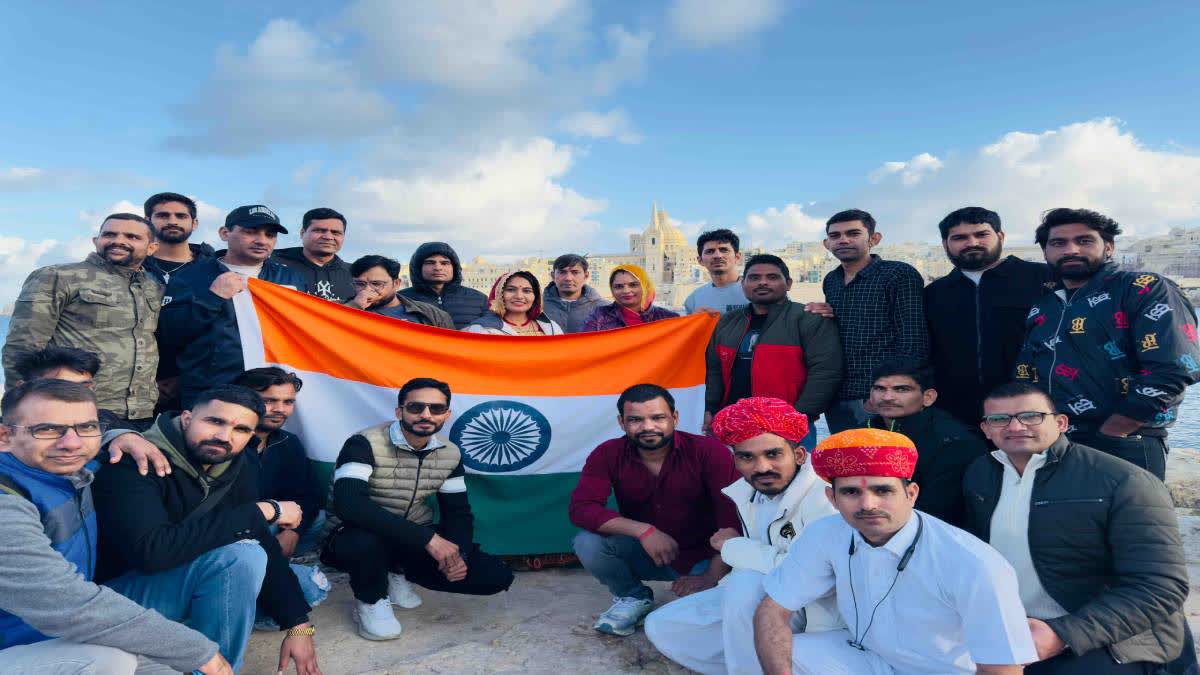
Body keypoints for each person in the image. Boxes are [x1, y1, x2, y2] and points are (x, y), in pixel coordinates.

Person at [753, 428, 1037, 675]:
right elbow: (772, 610)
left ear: (911, 493)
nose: (868, 504)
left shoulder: (973, 563)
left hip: (943, 672)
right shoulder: (825, 533)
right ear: (832, 498)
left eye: (883, 490)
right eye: (851, 492)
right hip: (868, 658)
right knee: (778, 652)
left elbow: (1002, 668)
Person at [0, 379, 232, 675]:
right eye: (46, 429)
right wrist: (198, 652)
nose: (72, 442)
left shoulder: (71, 471)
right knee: (109, 662)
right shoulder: (6, 504)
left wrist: (123, 435)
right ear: (4, 437)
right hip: (23, 642)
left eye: (86, 427)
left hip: (58, 636)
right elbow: (66, 604)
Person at [91, 385, 322, 673]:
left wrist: (298, 625)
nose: (224, 437)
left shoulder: (236, 462)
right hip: (113, 597)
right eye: (215, 421)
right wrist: (262, 511)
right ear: (187, 418)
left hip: (180, 573)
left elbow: (258, 536)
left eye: (240, 429)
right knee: (240, 558)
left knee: (304, 585)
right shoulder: (135, 461)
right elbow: (151, 552)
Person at [964, 381, 1190, 674]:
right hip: (1012, 628)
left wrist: (1063, 634)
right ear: (986, 430)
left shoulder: (1124, 481)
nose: (1016, 427)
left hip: (1110, 637)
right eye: (1000, 419)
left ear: (1060, 423)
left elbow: (1161, 587)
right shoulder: (980, 473)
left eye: (1031, 416)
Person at [645, 397, 840, 674]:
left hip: (817, 614)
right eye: (747, 457)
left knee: (747, 583)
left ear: (798, 455)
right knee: (664, 626)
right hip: (761, 604)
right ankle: (752, 661)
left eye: (773, 454)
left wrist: (732, 547)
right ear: (735, 459)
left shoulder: (824, 498)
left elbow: (814, 576)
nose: (761, 467)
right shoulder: (748, 493)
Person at [1014, 208, 1200, 480]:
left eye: (1084, 240)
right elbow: (1027, 370)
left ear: (1109, 247)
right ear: (1045, 253)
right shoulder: (1045, 305)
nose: (1071, 249)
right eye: (1058, 243)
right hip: (1054, 440)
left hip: (1125, 439)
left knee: (1130, 521)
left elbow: (1174, 368)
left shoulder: (1143, 288)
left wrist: (1114, 431)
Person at [321, 378, 514, 641]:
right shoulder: (363, 443)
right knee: (364, 541)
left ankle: (395, 571)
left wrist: (458, 556)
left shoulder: (450, 453)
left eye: (436, 409)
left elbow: (457, 512)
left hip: (409, 536)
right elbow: (349, 504)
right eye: (416, 407)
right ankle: (371, 600)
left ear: (446, 414)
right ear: (399, 411)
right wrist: (429, 540)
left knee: (495, 576)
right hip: (354, 535)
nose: (426, 415)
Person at [569, 384, 739, 637]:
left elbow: (733, 520)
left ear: (675, 418)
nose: (648, 427)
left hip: (704, 555)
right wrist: (643, 531)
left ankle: (710, 587)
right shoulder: (608, 453)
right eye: (635, 420)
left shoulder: (709, 452)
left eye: (657, 417)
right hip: (649, 552)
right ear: (621, 422)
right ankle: (633, 597)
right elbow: (582, 509)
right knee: (587, 543)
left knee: (699, 627)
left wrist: (709, 576)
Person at [3, 213, 163, 428]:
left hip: (141, 413)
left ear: (152, 248)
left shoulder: (154, 286)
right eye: (110, 234)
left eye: (132, 237)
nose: (119, 241)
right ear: (96, 241)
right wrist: (18, 409)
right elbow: (23, 347)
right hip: (73, 409)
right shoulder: (57, 276)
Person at [157, 205, 305, 408]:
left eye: (270, 235)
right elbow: (170, 333)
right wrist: (213, 298)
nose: (262, 240)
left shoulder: (290, 277)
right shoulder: (191, 275)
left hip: (270, 392)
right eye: (250, 232)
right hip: (209, 391)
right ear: (225, 233)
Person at [925, 207, 1053, 427]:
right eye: (960, 237)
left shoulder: (1043, 278)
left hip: (1031, 411)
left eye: (981, 234)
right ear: (946, 244)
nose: (971, 242)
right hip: (955, 414)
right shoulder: (934, 293)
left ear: (1000, 237)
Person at [704, 254, 842, 445]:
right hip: (733, 424)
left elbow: (825, 372)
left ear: (789, 283)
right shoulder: (727, 322)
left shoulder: (810, 319)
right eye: (754, 278)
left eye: (772, 277)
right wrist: (709, 409)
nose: (762, 283)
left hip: (791, 426)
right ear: (743, 284)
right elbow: (714, 371)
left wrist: (801, 415)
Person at [814, 209, 929, 433]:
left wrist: (889, 394)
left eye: (853, 233)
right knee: (847, 464)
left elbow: (913, 339)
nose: (843, 240)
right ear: (827, 243)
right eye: (835, 236)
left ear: (874, 239)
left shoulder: (897, 274)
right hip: (838, 395)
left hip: (880, 398)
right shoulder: (832, 280)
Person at [863, 358, 989, 527]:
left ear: (928, 397)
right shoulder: (859, 435)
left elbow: (940, 511)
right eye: (880, 389)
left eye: (901, 389)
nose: (887, 397)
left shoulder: (955, 442)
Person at [232, 368, 325, 557]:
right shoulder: (224, 441)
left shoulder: (288, 442)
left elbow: (307, 496)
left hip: (274, 522)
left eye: (288, 402)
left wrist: (292, 532)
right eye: (268, 401)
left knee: (319, 519)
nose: (280, 409)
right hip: (232, 529)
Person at [344, 255, 454, 328]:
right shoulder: (340, 309)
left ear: (396, 284)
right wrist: (355, 306)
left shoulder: (433, 315)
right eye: (360, 284)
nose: (367, 290)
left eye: (377, 284)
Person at [273, 207, 356, 302]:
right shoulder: (271, 264)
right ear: (302, 233)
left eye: (336, 233)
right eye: (319, 230)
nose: (328, 237)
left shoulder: (357, 274)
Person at [399, 242, 489, 329]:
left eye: (444, 263)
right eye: (430, 263)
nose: (438, 268)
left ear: (454, 267)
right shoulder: (400, 299)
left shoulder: (479, 299)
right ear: (418, 268)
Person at [142, 192, 216, 285]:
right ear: (147, 222)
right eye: (163, 216)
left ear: (194, 223)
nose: (172, 222)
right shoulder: (132, 263)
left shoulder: (213, 268)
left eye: (181, 216)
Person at [582, 264, 680, 331]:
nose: (626, 291)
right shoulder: (599, 316)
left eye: (633, 285)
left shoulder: (668, 318)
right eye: (619, 286)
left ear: (645, 286)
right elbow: (586, 346)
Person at [465, 271, 565, 335]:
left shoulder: (551, 327)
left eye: (527, 291)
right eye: (511, 290)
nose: (519, 296)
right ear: (499, 294)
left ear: (536, 297)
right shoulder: (482, 330)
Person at [684, 229, 747, 315]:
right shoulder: (693, 300)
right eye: (710, 251)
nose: (718, 256)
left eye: (724, 250)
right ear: (700, 260)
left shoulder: (755, 292)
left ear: (737, 257)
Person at [542, 253, 606, 333]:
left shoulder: (605, 309)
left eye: (575, 272)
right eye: (562, 272)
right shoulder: (536, 308)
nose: (568, 278)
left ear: (586, 276)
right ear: (553, 276)